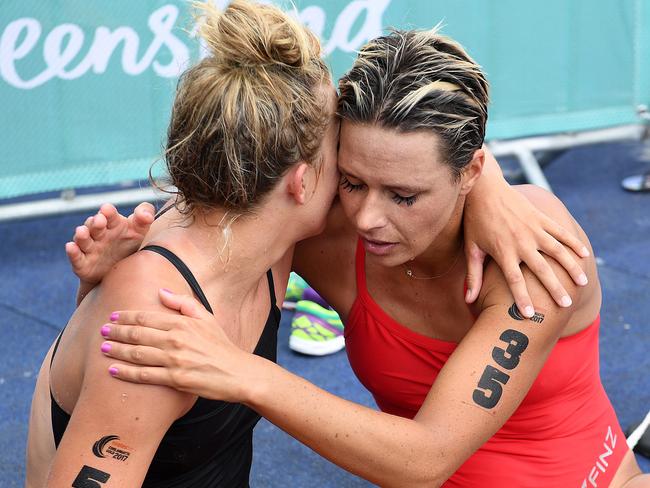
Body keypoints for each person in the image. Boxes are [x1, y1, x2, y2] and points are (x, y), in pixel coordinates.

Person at [81, 28, 649, 487]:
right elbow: (227, 197)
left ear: (471, 169)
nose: (367, 218)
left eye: (405, 196)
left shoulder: (534, 251)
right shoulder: (322, 231)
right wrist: (114, 275)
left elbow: (425, 461)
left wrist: (242, 372)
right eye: (351, 182)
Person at [25, 1, 340, 486]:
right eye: (338, 148)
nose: (349, 167)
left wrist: (483, 184)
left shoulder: (264, 242)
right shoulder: (155, 319)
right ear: (300, 183)